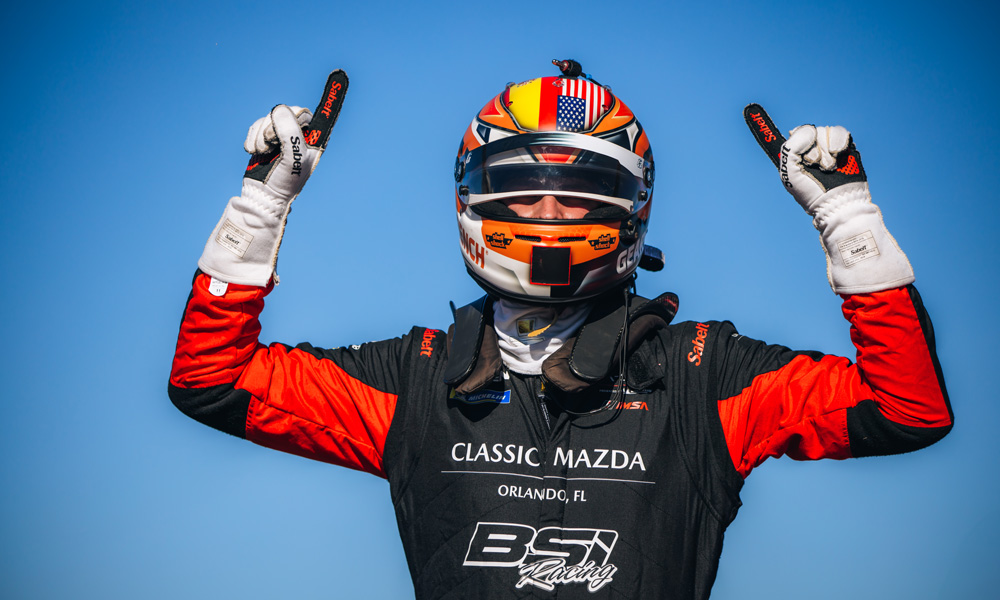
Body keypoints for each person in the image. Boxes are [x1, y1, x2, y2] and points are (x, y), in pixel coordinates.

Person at [169, 61, 953, 599]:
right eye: (521, 187)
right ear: (473, 197)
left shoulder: (700, 374)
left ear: (631, 207)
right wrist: (259, 209)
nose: (548, 213)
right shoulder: (417, 378)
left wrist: (849, 221)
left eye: (578, 192)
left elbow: (906, 410)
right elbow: (211, 381)